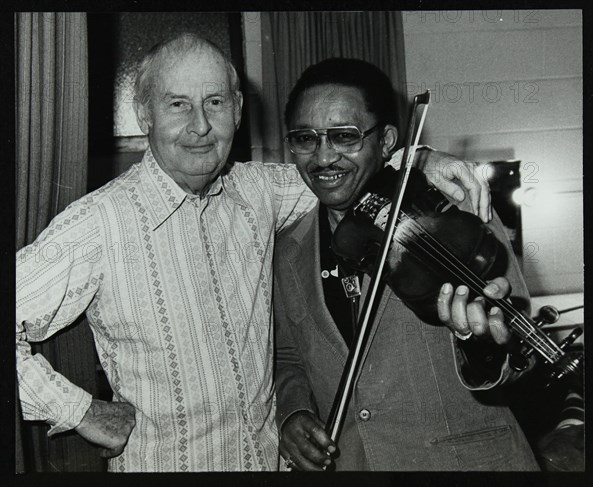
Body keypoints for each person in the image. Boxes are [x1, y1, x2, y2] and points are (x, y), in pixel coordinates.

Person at [16, 34, 491, 472]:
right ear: (145, 114)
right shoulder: (98, 222)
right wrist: (80, 411)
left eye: (215, 103)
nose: (200, 126)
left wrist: (420, 159)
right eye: (178, 104)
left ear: (238, 110)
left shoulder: (260, 190)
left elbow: (345, 172)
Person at [273, 58, 540, 471]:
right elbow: (289, 356)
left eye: (345, 137)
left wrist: (481, 346)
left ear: (387, 143)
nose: (323, 157)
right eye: (305, 138)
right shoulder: (288, 247)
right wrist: (293, 412)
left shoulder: (455, 212)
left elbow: (518, 354)